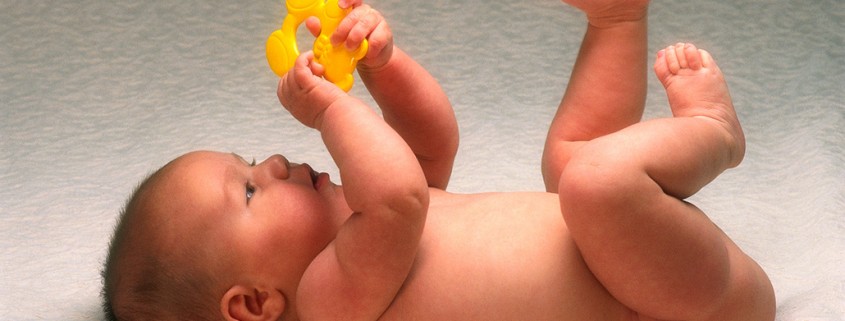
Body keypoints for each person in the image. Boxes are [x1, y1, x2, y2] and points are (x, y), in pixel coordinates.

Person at [101, 0, 776, 320]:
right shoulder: (331, 301)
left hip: (645, 252)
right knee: (592, 182)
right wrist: (331, 111)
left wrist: (383, 67)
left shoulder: (365, 234)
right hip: (686, 301)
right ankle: (713, 129)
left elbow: (429, 145)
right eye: (248, 190)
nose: (273, 160)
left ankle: (616, 22)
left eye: (248, 159)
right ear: (253, 303)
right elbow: (399, 194)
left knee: (574, 168)